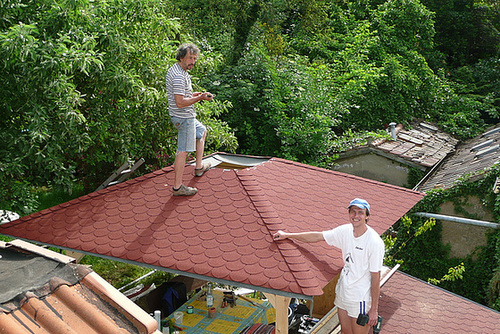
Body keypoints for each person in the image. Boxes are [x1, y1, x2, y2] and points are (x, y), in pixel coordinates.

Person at [273, 198, 384, 334]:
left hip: (360, 299)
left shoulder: (374, 242)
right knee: (345, 332)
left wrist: (373, 310)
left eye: (360, 212)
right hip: (343, 293)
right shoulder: (345, 231)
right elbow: (318, 236)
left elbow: (376, 277)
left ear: (367, 216)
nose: (356, 216)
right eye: (353, 212)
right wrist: (288, 235)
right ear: (349, 214)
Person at [166, 43, 213, 196]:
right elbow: (179, 103)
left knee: (201, 131)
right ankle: (178, 187)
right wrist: (199, 98)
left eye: (194, 58)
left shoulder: (180, 70)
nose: (192, 61)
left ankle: (199, 167)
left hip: (186, 116)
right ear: (181, 57)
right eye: (189, 58)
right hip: (183, 117)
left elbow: (182, 97)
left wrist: (196, 95)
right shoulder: (179, 76)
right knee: (183, 151)